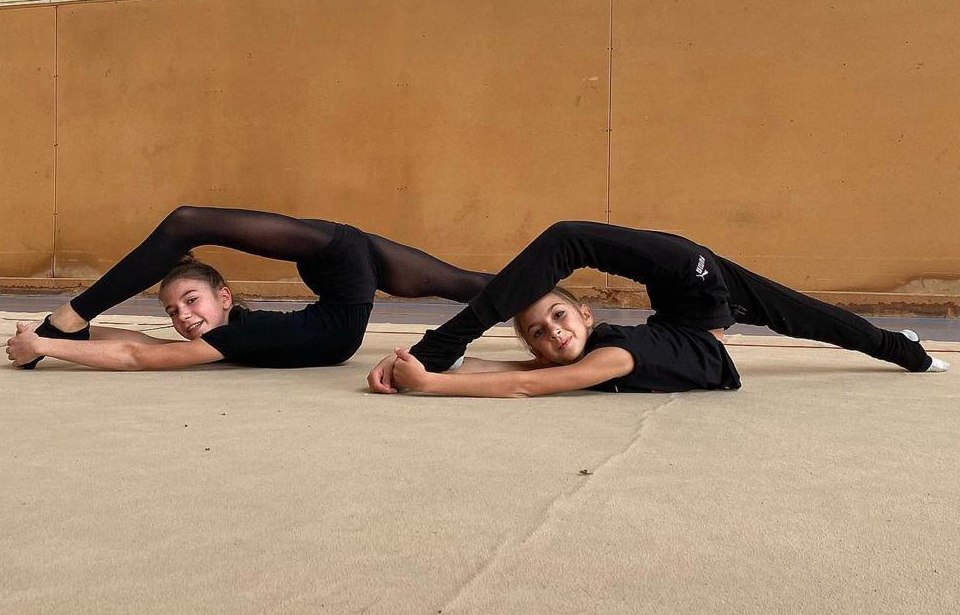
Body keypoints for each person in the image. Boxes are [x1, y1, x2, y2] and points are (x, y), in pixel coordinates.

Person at [368, 221, 948, 397]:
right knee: (810, 317)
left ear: (588, 313)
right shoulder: (608, 357)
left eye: (560, 314)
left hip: (686, 276)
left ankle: (446, 337)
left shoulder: (608, 356)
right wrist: (421, 371)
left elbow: (520, 383)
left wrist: (426, 372)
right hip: (690, 318)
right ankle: (907, 352)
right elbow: (522, 375)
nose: (551, 330)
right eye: (539, 332)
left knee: (568, 237)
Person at [6, 206, 490, 370]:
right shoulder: (228, 337)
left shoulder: (232, 337)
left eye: (191, 300)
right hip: (340, 278)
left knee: (185, 223)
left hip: (339, 260)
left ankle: (70, 314)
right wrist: (61, 345)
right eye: (173, 312)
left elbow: (138, 358)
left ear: (225, 297)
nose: (182, 317)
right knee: (466, 285)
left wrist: (48, 341)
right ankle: (549, 296)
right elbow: (139, 343)